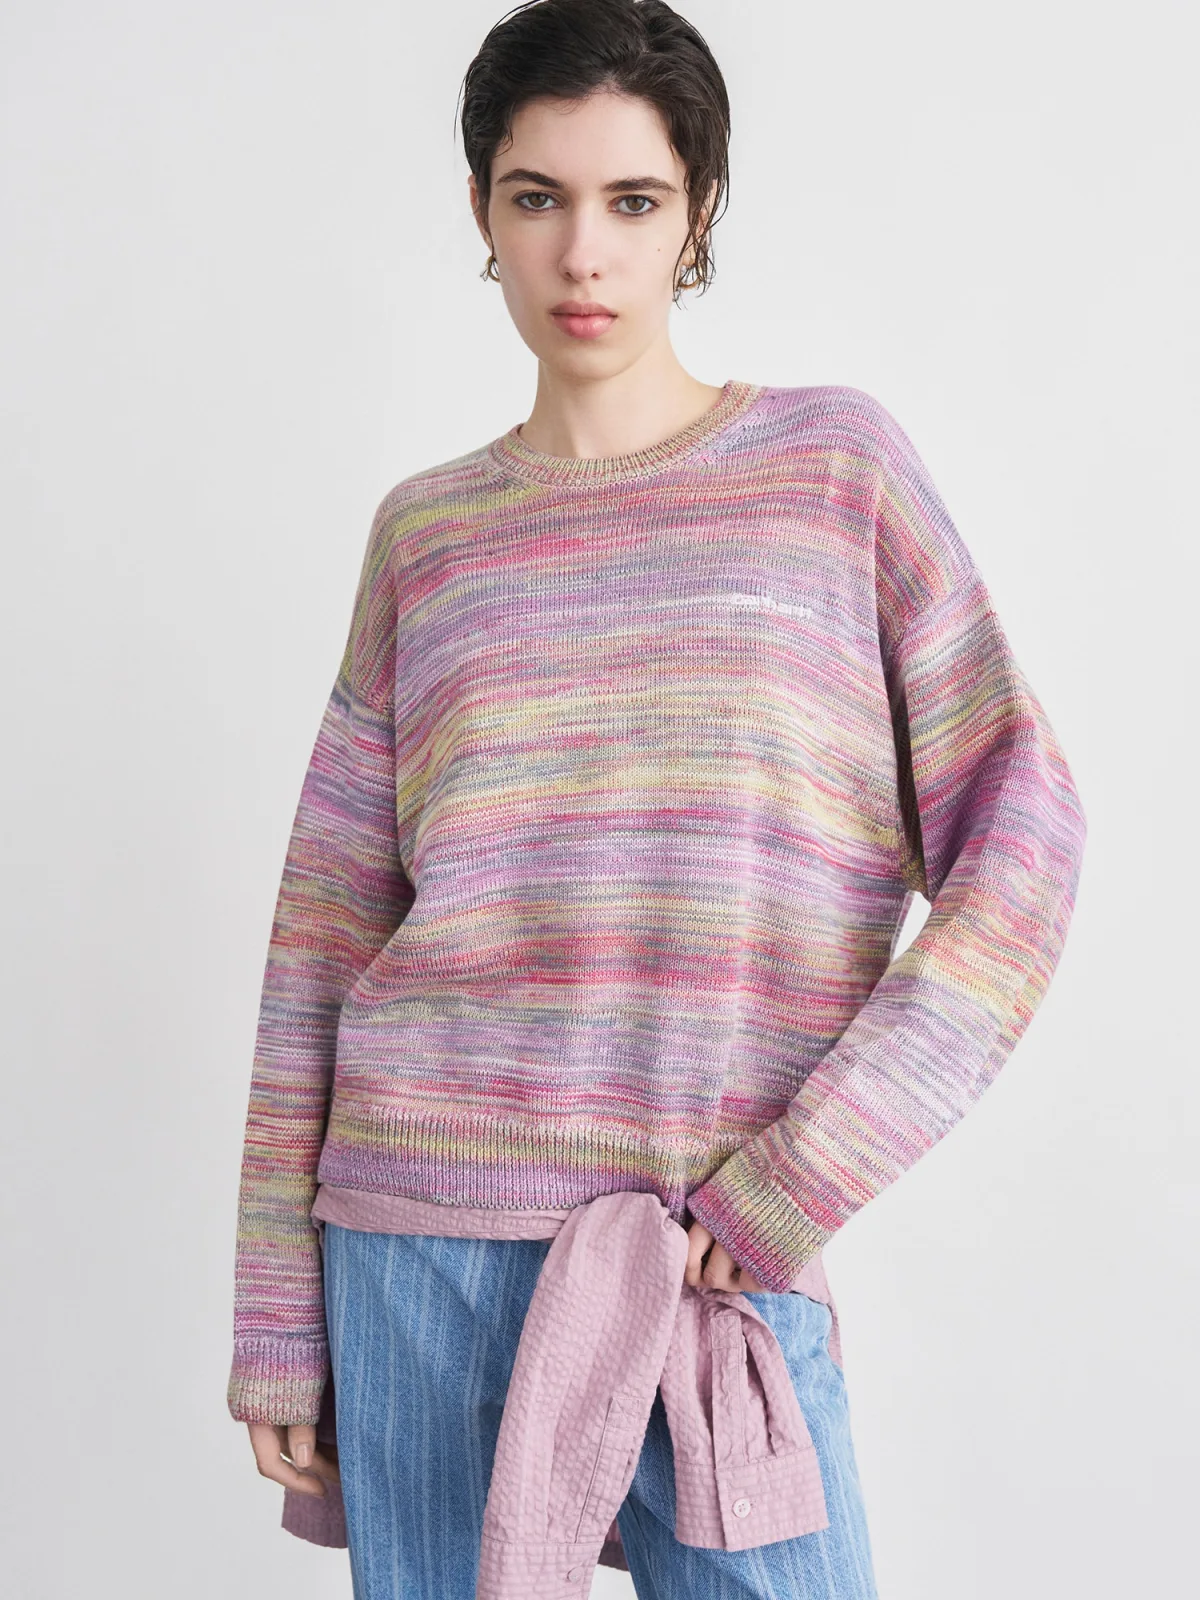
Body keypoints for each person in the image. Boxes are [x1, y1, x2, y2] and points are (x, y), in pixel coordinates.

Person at [226, 2, 1087, 1596]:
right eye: (536, 196)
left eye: (633, 200)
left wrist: (803, 1176)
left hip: (711, 1251)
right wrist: (279, 1304)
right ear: (481, 213)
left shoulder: (837, 472)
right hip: (417, 1246)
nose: (583, 253)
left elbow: (1023, 845)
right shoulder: (426, 536)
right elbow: (325, 935)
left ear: (698, 215)